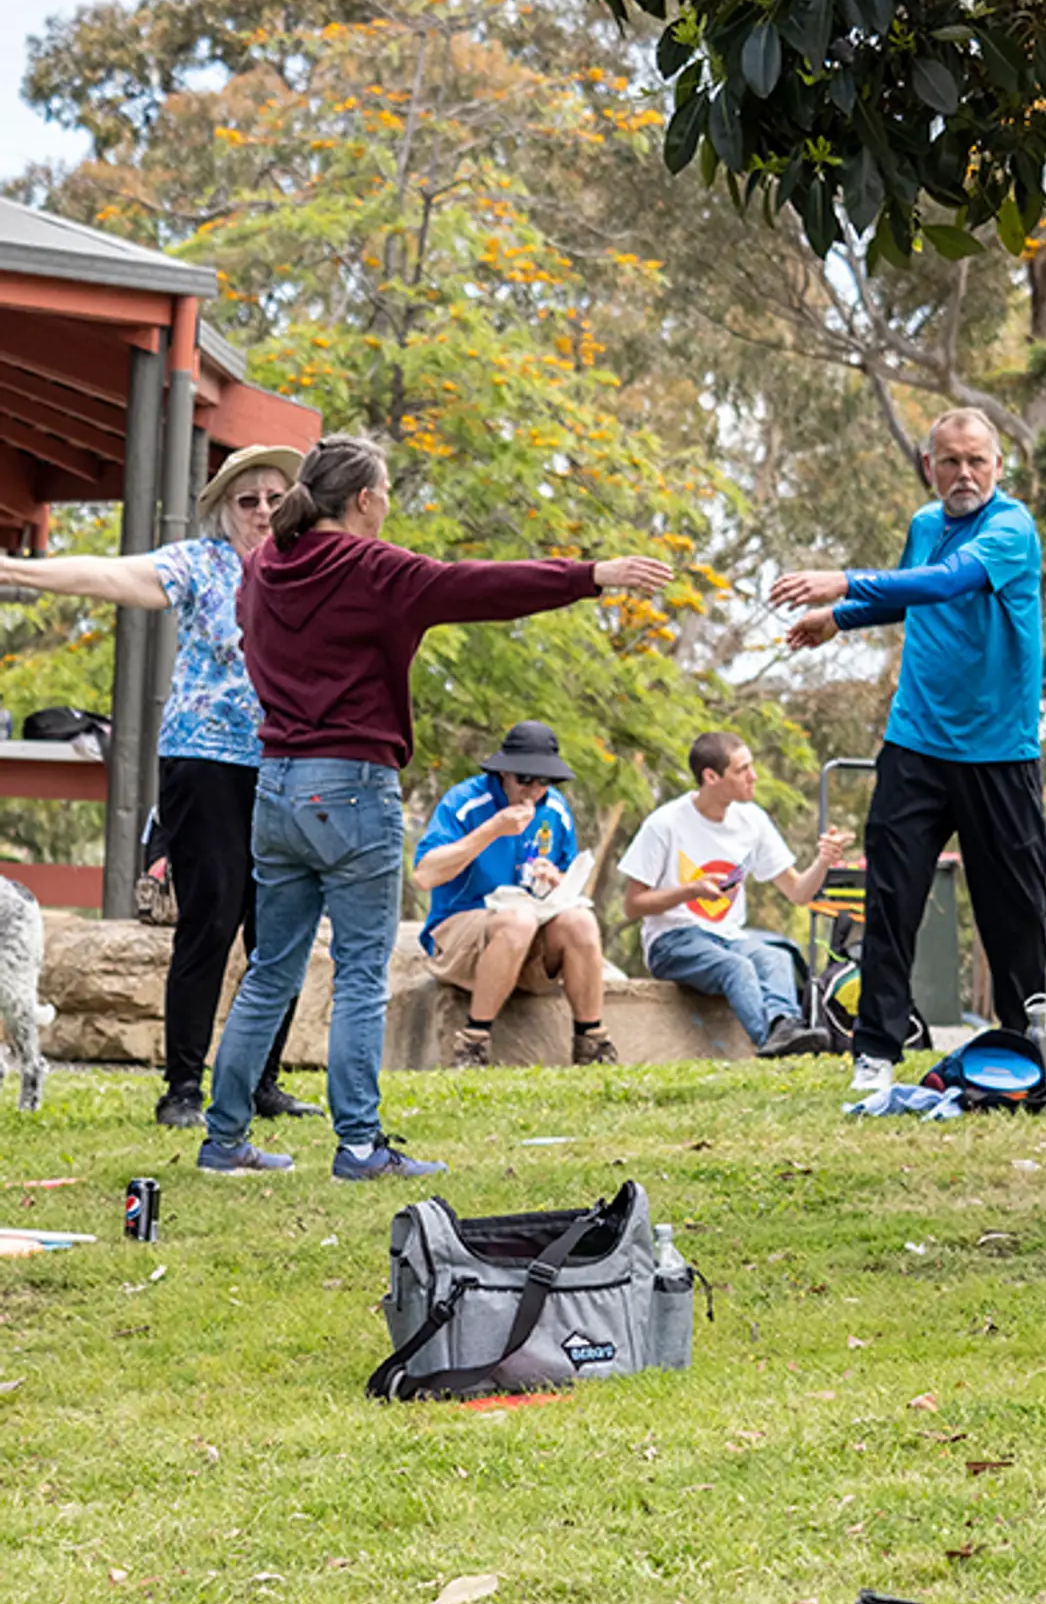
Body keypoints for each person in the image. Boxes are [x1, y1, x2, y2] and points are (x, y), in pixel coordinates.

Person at [196, 434, 672, 1178]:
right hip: (351, 786)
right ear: (364, 500)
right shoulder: (373, 568)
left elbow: (257, 649)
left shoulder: (263, 567)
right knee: (360, 972)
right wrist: (592, 575)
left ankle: (223, 1140)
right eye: (385, 494)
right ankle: (360, 1146)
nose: (387, 507)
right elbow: (483, 586)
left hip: (278, 783)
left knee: (270, 969)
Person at [0, 445, 320, 1128]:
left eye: (275, 498)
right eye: (248, 500)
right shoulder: (201, 564)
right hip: (204, 763)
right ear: (225, 510)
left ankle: (262, 1082)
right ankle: (183, 1089)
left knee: (280, 927)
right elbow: (111, 575)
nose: (263, 511)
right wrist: (13, 568)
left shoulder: (310, 566)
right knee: (212, 919)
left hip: (287, 763)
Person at [769, 409, 1046, 1091]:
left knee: (1012, 912)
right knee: (890, 901)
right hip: (915, 743)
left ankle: (1028, 1046)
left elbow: (948, 582)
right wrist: (839, 618)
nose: (964, 474)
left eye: (976, 460)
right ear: (930, 467)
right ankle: (876, 1052)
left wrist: (842, 582)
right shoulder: (927, 523)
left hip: (997, 752)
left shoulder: (1011, 528)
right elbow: (908, 592)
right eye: (950, 461)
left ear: (998, 465)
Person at [616, 731, 852, 1057]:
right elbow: (633, 905)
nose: (753, 776)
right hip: (672, 941)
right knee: (737, 967)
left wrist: (824, 861)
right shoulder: (665, 824)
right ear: (711, 777)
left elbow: (799, 892)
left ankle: (786, 1027)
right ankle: (772, 1043)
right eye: (742, 770)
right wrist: (691, 890)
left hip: (728, 936)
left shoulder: (752, 821)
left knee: (775, 957)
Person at [411, 720, 617, 1070]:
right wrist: (493, 829)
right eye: (525, 779)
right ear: (504, 772)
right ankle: (474, 1044)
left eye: (544, 782)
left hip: (530, 940)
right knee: (517, 921)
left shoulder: (555, 810)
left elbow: (569, 879)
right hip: (462, 934)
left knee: (581, 921)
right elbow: (424, 875)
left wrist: (556, 880)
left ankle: (592, 1043)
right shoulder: (465, 802)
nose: (533, 791)